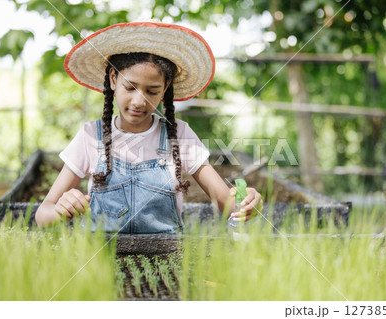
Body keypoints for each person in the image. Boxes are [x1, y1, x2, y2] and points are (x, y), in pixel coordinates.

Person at [35, 21, 263, 233]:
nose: (139, 101)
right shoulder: (90, 136)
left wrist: (246, 201)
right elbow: (42, 215)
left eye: (152, 91)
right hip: (99, 262)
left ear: (165, 89)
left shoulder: (179, 135)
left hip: (166, 261)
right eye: (130, 87)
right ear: (113, 79)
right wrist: (60, 210)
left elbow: (227, 204)